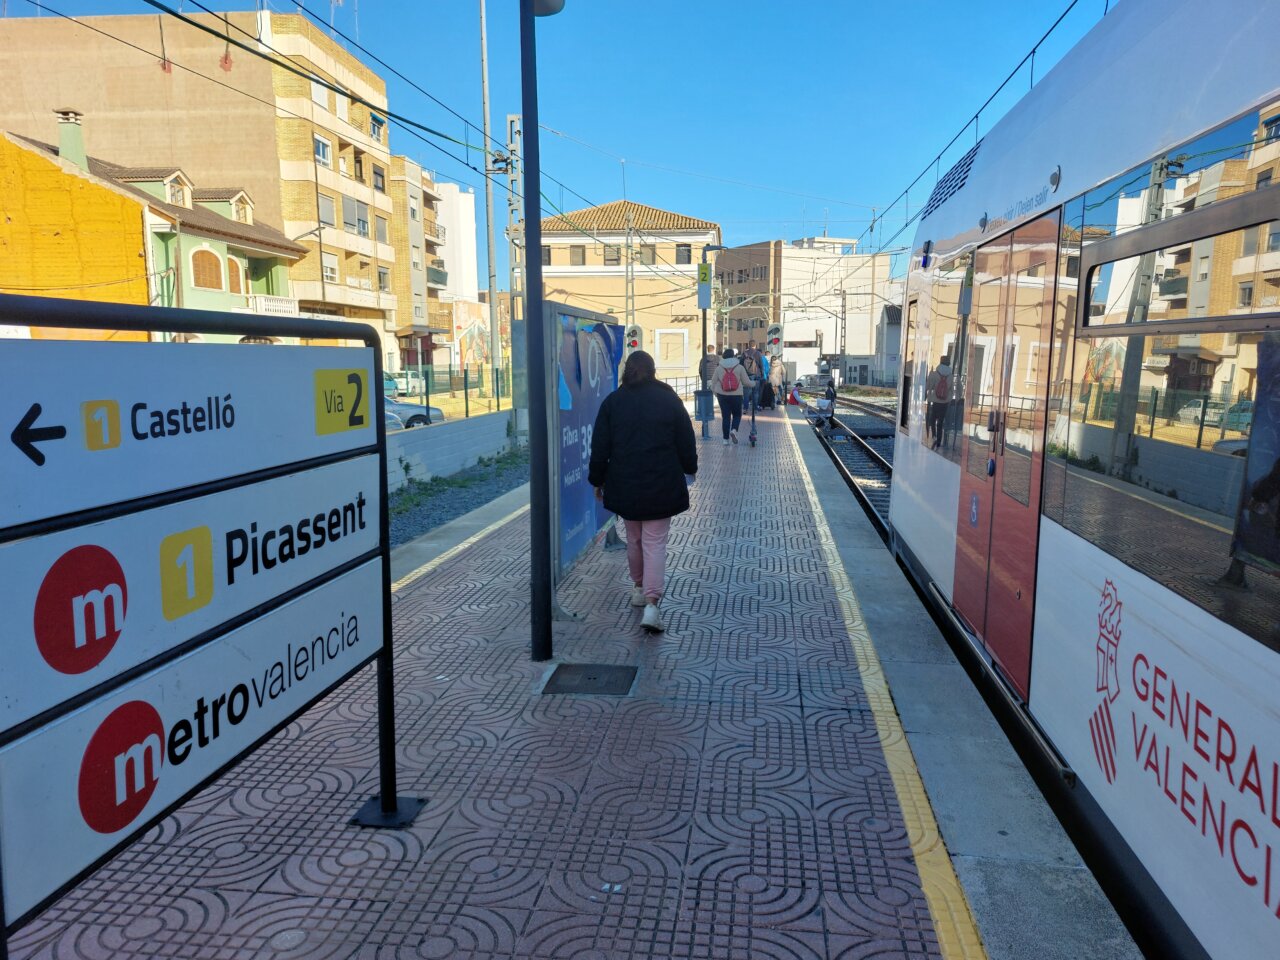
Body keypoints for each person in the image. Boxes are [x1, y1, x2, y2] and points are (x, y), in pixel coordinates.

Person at [589, 350, 697, 633]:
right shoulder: (668, 399)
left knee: (634, 538)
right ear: (652, 370)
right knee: (654, 543)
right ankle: (652, 603)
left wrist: (597, 480)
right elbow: (685, 438)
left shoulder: (613, 402)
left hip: (624, 484)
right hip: (661, 483)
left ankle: (638, 588)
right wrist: (690, 467)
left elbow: (600, 447)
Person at [711, 347, 748, 444]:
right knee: (737, 414)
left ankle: (725, 440)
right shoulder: (739, 367)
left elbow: (713, 383)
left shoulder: (719, 368)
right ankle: (734, 430)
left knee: (726, 417)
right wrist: (754, 383)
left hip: (722, 395)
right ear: (733, 356)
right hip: (737, 395)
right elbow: (746, 382)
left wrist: (716, 394)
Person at [925, 355, 953, 450]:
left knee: (932, 419)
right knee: (941, 422)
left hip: (934, 401)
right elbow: (952, 390)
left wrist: (927, 394)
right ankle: (939, 441)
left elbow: (928, 386)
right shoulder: (951, 376)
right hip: (945, 402)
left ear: (940, 362)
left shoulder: (933, 373)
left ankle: (934, 436)